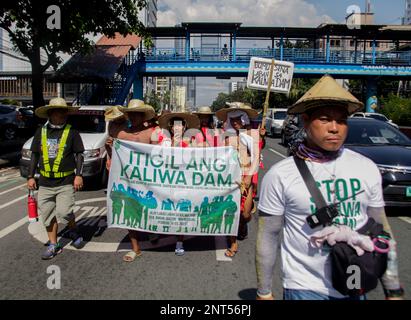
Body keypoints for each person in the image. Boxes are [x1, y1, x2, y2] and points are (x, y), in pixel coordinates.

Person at [255, 75, 404, 300]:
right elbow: (268, 235)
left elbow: (382, 232)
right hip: (304, 286)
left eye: (342, 120)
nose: (335, 128)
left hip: (354, 280)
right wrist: (264, 291)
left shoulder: (366, 167)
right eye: (325, 119)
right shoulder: (280, 175)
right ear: (306, 120)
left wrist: (393, 288)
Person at [27, 98, 85, 260]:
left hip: (65, 181)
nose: (63, 114)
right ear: (51, 114)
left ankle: (73, 228)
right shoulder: (41, 131)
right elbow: (34, 155)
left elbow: (79, 154)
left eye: (64, 111)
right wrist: (31, 176)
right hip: (45, 182)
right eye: (59, 111)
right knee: (47, 215)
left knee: (65, 212)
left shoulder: (72, 132)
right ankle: (54, 244)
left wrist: (78, 175)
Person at [110, 99, 157, 262]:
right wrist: (111, 151)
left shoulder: (152, 132)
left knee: (149, 208)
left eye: (138, 114)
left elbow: (160, 157)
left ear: (144, 116)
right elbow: (114, 156)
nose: (134, 117)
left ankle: (151, 229)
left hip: (149, 180)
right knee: (130, 210)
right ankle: (135, 247)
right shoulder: (121, 134)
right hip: (128, 179)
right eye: (131, 114)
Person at [216, 102, 260, 258]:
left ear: (244, 118)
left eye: (238, 119)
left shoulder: (252, 134)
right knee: (231, 212)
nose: (235, 122)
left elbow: (256, 157)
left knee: (246, 214)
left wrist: (249, 176)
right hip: (230, 178)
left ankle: (243, 223)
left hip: (246, 176)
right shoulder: (226, 136)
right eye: (232, 119)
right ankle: (233, 243)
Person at [157, 112, 200, 255]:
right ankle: (157, 232)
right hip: (166, 182)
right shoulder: (163, 142)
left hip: (183, 183)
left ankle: (179, 241)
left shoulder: (190, 143)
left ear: (184, 127)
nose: (177, 128)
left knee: (181, 211)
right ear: (170, 127)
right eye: (174, 125)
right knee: (164, 209)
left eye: (180, 125)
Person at [104, 105, 127, 171]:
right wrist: (108, 159)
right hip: (112, 154)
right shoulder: (111, 123)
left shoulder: (128, 124)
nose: (117, 119)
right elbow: (109, 137)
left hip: (124, 155)